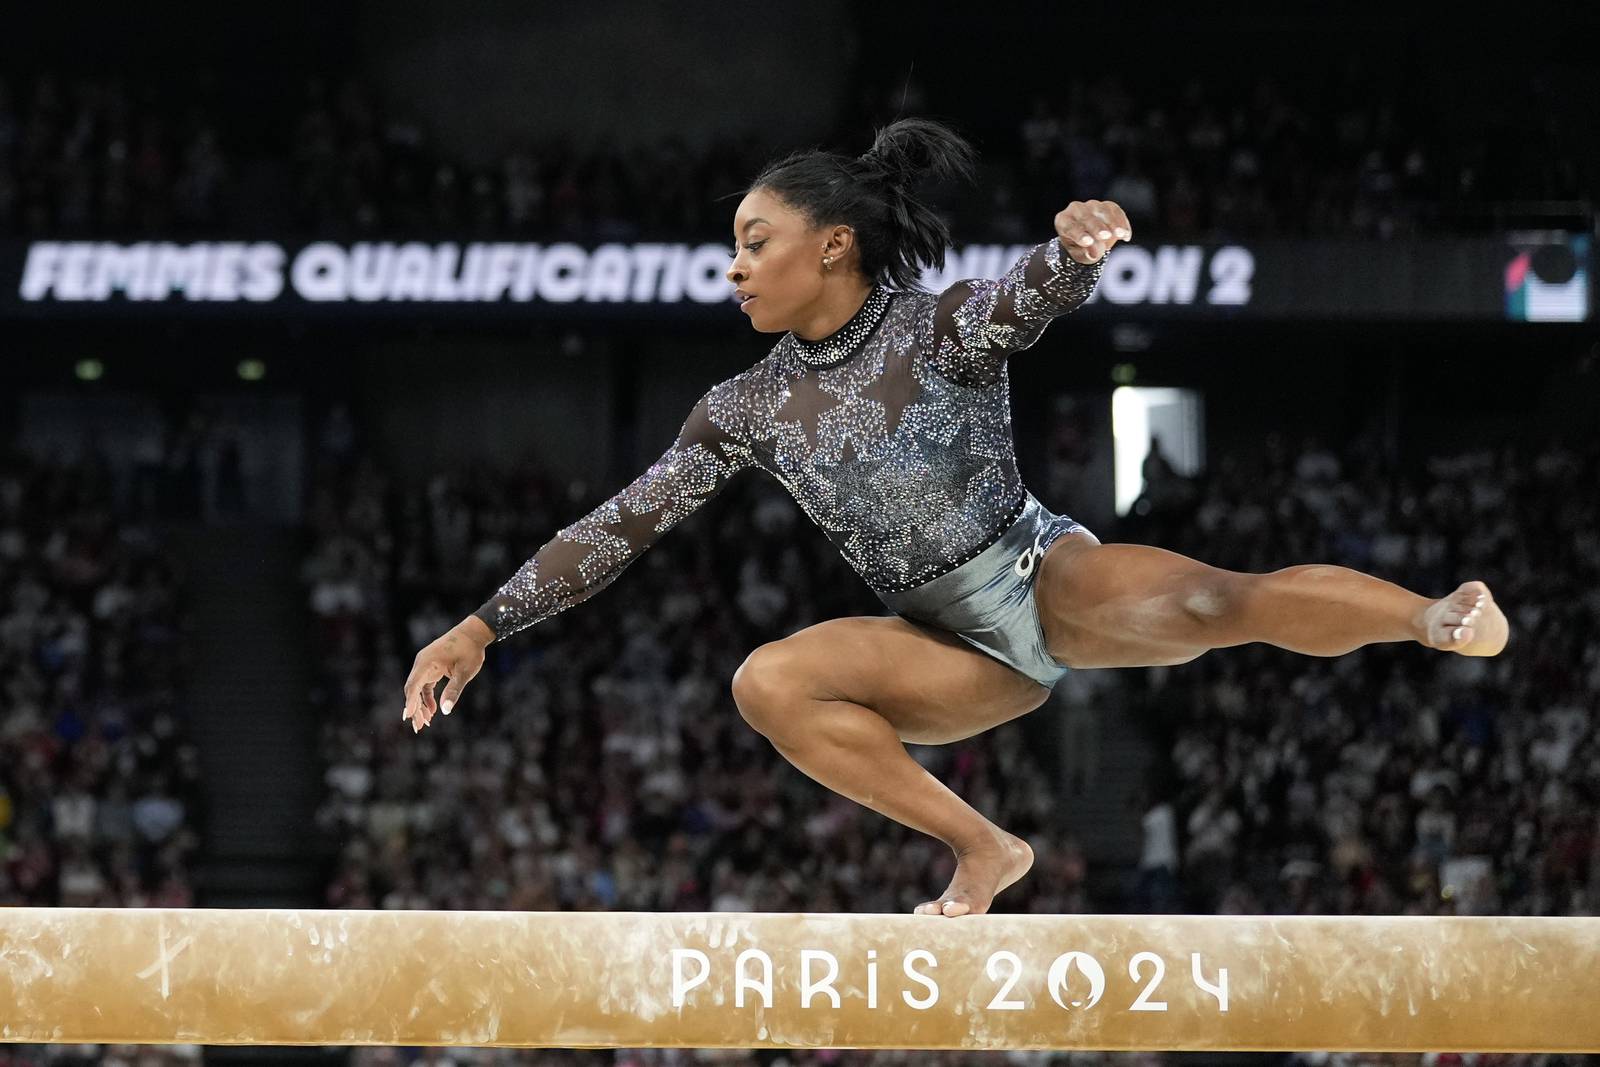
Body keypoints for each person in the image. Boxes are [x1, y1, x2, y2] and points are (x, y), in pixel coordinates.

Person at [401, 119, 1509, 917]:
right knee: (765, 680)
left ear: (833, 242)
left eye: (754, 240)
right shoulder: (743, 406)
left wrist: (1070, 254)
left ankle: (1429, 618)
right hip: (940, 647)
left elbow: (1019, 297)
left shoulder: (935, 330)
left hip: (1035, 574)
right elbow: (620, 524)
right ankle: (982, 847)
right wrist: (483, 624)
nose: (732, 265)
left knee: (1219, 600)